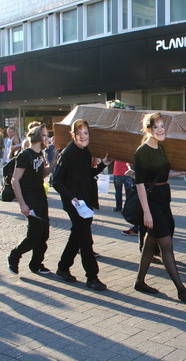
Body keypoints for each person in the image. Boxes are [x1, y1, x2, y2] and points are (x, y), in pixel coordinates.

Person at [132, 112, 186, 302]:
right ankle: (181, 290)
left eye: (162, 126)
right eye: (156, 127)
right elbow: (140, 184)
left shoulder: (160, 148)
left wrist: (182, 172)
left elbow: (162, 176)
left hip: (164, 201)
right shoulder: (142, 152)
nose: (161, 130)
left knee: (150, 243)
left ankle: (139, 282)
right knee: (166, 245)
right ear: (148, 130)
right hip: (152, 203)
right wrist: (146, 212)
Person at [52, 119, 111, 291]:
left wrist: (102, 165)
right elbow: (57, 181)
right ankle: (92, 277)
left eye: (86, 133)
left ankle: (63, 267)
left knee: (77, 236)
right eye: (79, 133)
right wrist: (72, 198)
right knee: (85, 239)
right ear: (73, 135)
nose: (83, 136)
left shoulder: (85, 152)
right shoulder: (69, 153)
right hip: (75, 203)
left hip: (85, 202)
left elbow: (87, 175)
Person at [7, 123, 57, 275]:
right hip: (30, 199)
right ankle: (14, 255)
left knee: (44, 234)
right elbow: (15, 180)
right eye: (45, 136)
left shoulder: (40, 154)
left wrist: (54, 161)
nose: (48, 139)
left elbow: (42, 174)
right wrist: (22, 204)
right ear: (38, 137)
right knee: (34, 235)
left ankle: (36, 264)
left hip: (41, 197)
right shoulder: (25, 155)